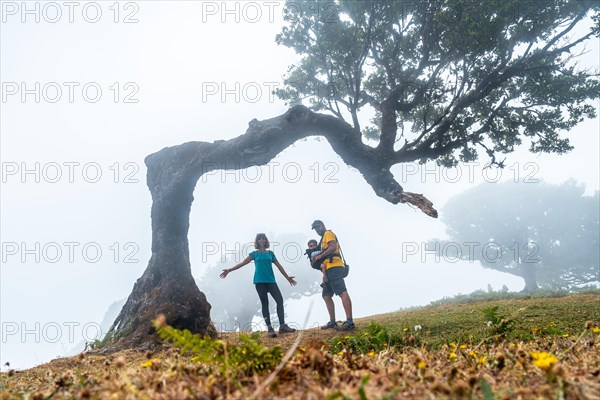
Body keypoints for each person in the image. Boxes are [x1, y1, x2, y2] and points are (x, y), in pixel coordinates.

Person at [220, 233, 297, 338]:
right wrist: (229, 270)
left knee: (279, 300)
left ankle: (282, 326)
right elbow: (242, 263)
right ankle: (270, 328)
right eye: (259, 239)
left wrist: (287, 278)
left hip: (271, 281)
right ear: (257, 241)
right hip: (259, 282)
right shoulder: (254, 254)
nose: (261, 240)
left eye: (263, 238)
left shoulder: (270, 253)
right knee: (265, 303)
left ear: (266, 241)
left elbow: (279, 266)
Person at [310, 220, 355, 331]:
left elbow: (333, 247)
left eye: (318, 227)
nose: (317, 229)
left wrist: (319, 256)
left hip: (334, 266)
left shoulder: (328, 234)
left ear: (323, 225)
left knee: (341, 292)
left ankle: (349, 322)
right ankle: (333, 322)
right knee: (326, 295)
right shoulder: (323, 238)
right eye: (315, 228)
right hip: (329, 269)